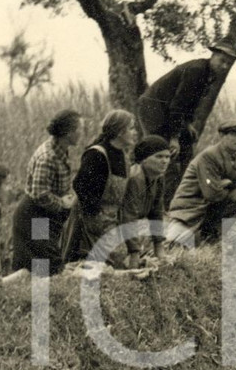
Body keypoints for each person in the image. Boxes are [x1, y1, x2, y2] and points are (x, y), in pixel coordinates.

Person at [136, 41, 236, 205]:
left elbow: (190, 103)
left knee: (186, 150)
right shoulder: (197, 71)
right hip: (154, 109)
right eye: (222, 60)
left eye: (229, 63)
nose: (225, 66)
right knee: (163, 152)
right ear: (213, 56)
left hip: (169, 111)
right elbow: (178, 105)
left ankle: (184, 196)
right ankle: (162, 202)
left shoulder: (209, 74)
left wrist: (188, 123)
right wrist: (174, 137)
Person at [10, 109, 82, 276]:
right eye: (79, 129)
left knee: (42, 266)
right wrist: (63, 203)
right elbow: (40, 194)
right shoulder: (48, 157)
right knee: (42, 265)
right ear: (68, 133)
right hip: (35, 214)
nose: (81, 133)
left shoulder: (61, 150)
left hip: (44, 214)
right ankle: (1, 290)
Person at [63, 109, 138, 265]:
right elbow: (80, 186)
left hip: (110, 219)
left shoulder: (123, 156)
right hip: (89, 220)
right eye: (131, 128)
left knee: (120, 260)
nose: (135, 132)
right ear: (119, 132)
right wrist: (97, 216)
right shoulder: (97, 154)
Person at [166, 119, 236, 246]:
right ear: (222, 136)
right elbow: (211, 194)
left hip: (211, 202)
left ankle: (212, 233)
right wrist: (227, 183)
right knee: (172, 245)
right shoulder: (210, 155)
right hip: (190, 206)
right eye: (234, 134)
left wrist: (224, 183)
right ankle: (199, 232)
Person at [121, 135, 172, 269]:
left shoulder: (158, 177)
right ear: (144, 159)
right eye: (159, 157)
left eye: (167, 157)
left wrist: (159, 247)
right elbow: (128, 217)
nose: (165, 161)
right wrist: (134, 254)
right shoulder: (135, 178)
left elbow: (157, 213)